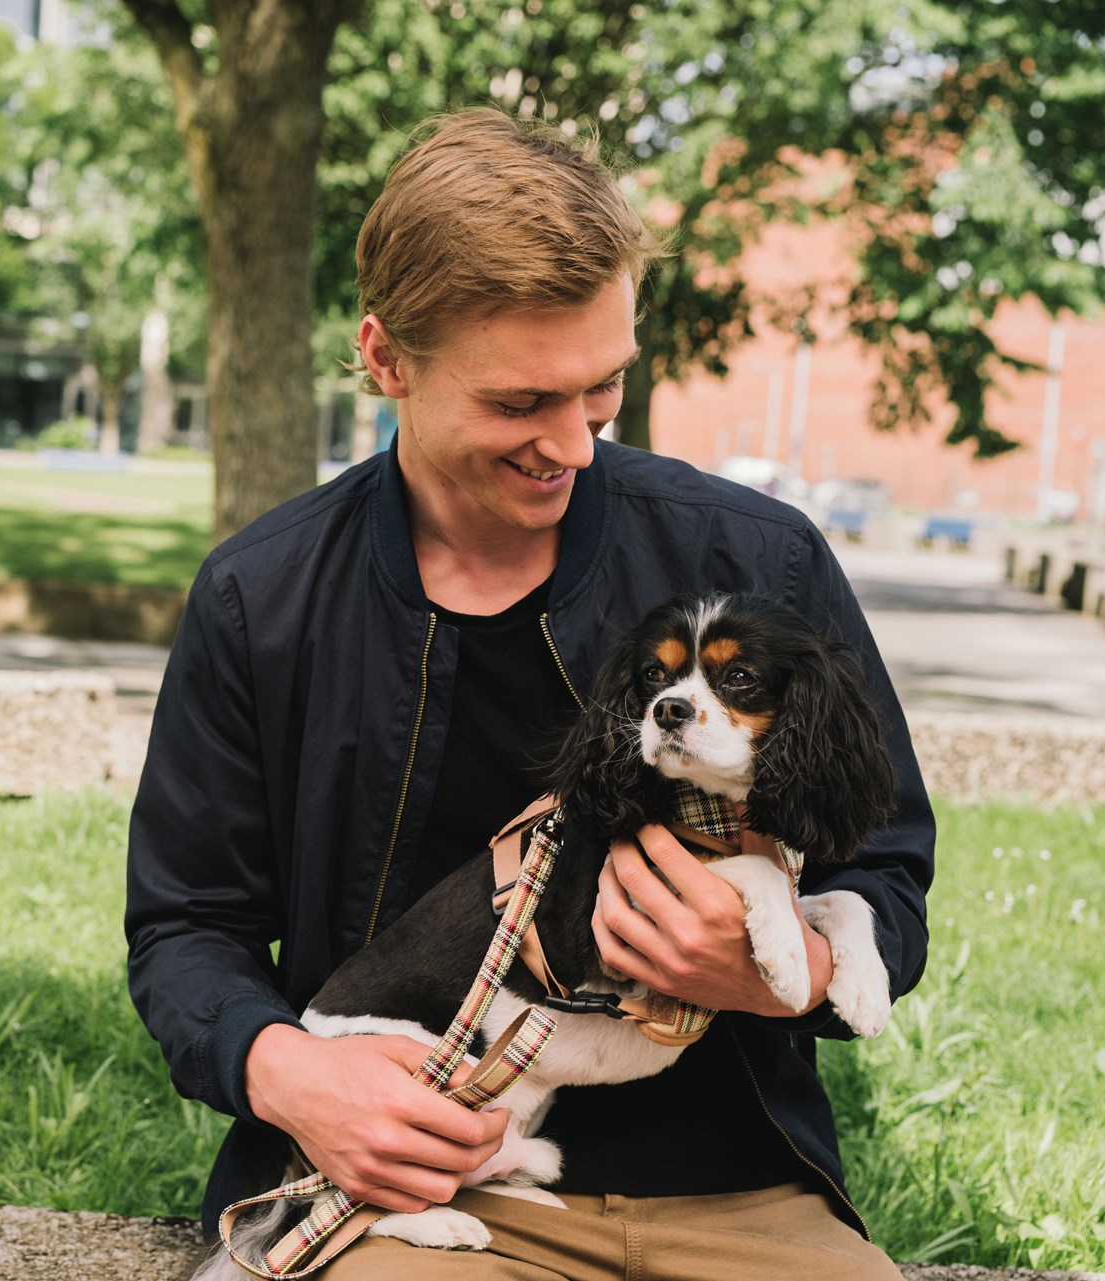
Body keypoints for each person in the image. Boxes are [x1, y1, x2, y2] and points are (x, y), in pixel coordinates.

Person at [125, 108, 934, 1281]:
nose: (575, 444)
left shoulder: (763, 561)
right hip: (416, 1181)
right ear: (387, 360)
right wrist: (287, 1071)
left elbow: (886, 866)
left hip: (736, 1185)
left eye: (603, 387)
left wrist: (791, 973)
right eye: (520, 404)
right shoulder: (263, 596)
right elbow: (186, 926)